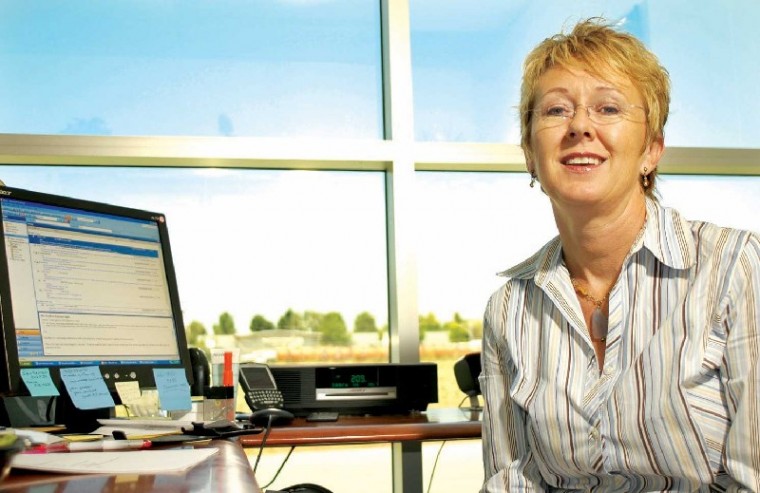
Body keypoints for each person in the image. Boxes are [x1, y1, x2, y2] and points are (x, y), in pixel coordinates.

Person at [479, 17, 760, 492]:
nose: (579, 126)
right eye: (556, 110)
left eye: (607, 108)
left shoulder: (736, 268)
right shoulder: (509, 309)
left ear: (651, 150)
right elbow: (511, 480)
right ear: (530, 153)